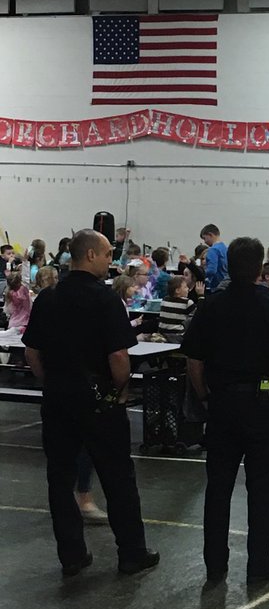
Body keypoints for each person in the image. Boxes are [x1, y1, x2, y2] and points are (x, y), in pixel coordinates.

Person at [23, 228, 158, 576]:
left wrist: (51, 382)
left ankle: (71, 554)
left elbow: (33, 353)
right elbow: (118, 356)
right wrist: (119, 389)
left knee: (59, 478)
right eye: (107, 254)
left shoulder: (48, 298)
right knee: (118, 478)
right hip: (99, 400)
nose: (110, 261)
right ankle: (132, 552)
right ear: (91, 255)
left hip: (58, 399)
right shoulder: (105, 300)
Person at [181, 236, 269, 584]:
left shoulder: (212, 305)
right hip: (262, 404)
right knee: (262, 491)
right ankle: (259, 563)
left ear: (229, 265)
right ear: (261, 267)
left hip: (223, 405)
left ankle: (215, 564)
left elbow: (194, 361)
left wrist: (205, 395)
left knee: (218, 488)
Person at [158, 276, 195, 340]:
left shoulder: (164, 300)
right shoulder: (187, 302)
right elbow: (199, 315)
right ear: (177, 290)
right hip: (177, 336)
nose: (188, 289)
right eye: (185, 287)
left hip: (161, 334)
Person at [200, 223, 229, 291]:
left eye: (205, 238)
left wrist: (199, 274)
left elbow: (211, 270)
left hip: (216, 286)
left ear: (210, 235)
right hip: (226, 284)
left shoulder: (213, 250)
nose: (204, 242)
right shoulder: (225, 248)